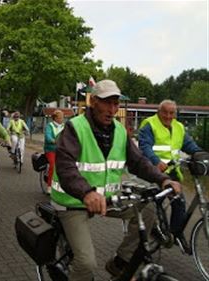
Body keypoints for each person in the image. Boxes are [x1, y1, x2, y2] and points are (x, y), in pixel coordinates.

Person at [51, 79, 181, 281]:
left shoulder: (120, 131)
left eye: (116, 103)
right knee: (85, 263)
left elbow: (138, 161)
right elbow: (65, 167)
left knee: (148, 209)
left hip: (108, 199)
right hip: (72, 202)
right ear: (93, 102)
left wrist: (163, 179)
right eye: (106, 102)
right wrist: (87, 192)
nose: (112, 109)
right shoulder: (75, 127)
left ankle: (120, 261)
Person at [138, 99, 202, 251]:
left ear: (175, 114)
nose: (168, 116)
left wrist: (201, 154)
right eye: (164, 112)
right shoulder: (150, 124)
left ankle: (174, 234)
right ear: (159, 112)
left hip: (172, 172)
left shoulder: (179, 127)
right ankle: (152, 230)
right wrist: (155, 160)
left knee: (179, 203)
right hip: (153, 172)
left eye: (171, 113)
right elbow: (144, 145)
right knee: (154, 205)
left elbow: (189, 145)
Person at [44, 110, 64, 194]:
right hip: (51, 149)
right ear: (55, 118)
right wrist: (52, 140)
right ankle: (49, 186)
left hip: (61, 150)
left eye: (62, 118)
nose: (61, 119)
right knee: (53, 165)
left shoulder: (64, 126)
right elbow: (48, 136)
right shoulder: (50, 126)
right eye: (59, 118)